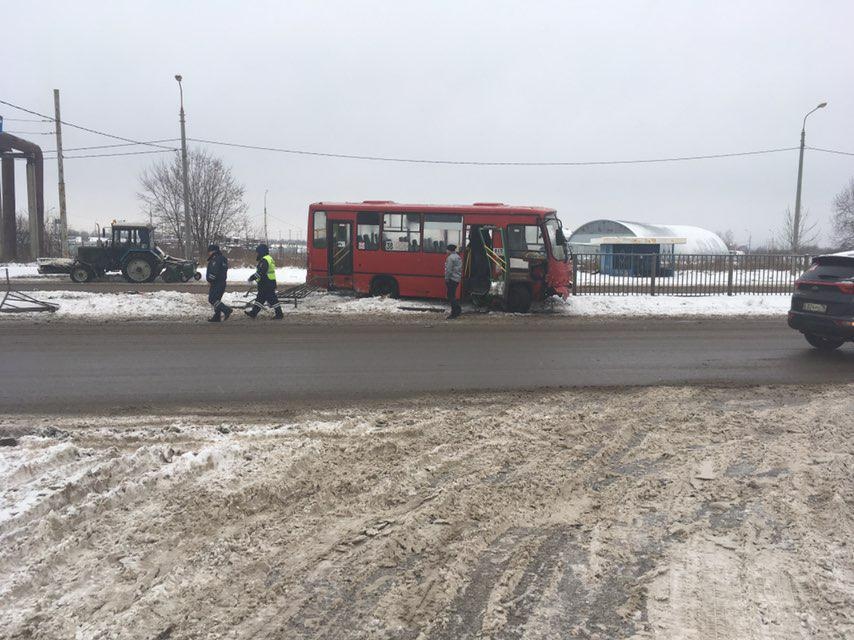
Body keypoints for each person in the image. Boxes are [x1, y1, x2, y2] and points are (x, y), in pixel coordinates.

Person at [245, 243, 284, 319]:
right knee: (260, 298)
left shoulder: (265, 260)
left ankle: (279, 314)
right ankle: (254, 313)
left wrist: (252, 277)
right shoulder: (268, 258)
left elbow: (261, 271)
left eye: (258, 252)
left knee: (272, 299)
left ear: (262, 251)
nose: (257, 254)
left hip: (267, 283)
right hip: (267, 282)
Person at [205, 244, 233, 322]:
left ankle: (226, 310)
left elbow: (214, 271)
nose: (209, 253)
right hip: (222, 282)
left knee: (212, 299)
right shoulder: (222, 258)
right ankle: (217, 317)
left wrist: (210, 280)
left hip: (216, 283)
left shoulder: (215, 259)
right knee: (217, 300)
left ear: (213, 251)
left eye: (209, 251)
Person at [444, 243, 462, 319]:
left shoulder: (450, 258)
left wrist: (446, 278)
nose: (446, 251)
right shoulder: (458, 257)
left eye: (447, 249)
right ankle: (457, 310)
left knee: (451, 296)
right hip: (457, 278)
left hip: (452, 279)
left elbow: (448, 270)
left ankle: (454, 313)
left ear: (449, 250)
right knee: (452, 295)